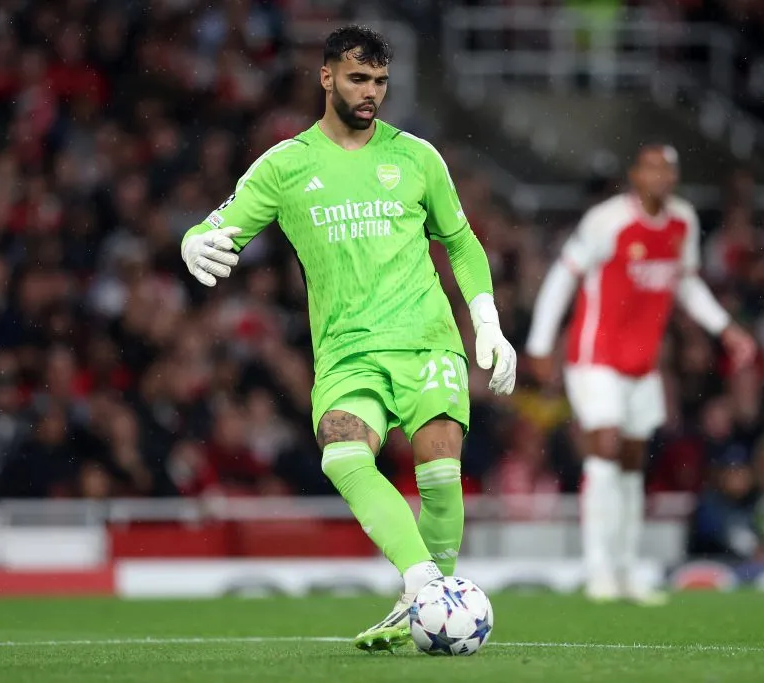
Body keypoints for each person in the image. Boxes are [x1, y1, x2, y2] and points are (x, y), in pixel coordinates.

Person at [180, 26, 516, 651]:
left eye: (381, 82)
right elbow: (218, 224)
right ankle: (426, 589)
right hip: (346, 351)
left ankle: (420, 602)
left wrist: (488, 323)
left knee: (441, 472)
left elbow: (461, 243)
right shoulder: (285, 166)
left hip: (427, 339)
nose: (371, 93)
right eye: (359, 79)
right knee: (341, 450)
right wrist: (192, 240)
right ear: (327, 77)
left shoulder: (417, 157)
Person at [524, 145, 755, 603]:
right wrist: (539, 341)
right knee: (604, 450)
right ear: (635, 175)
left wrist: (725, 328)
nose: (660, 177)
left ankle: (627, 569)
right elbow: (563, 275)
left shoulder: (682, 222)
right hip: (595, 355)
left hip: (642, 364)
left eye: (668, 170)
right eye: (651, 168)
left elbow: (685, 281)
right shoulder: (607, 221)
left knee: (631, 464)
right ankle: (598, 572)